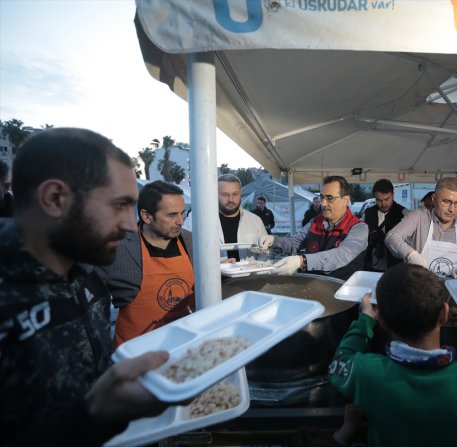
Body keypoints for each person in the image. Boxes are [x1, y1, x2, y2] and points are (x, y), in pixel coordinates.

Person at [0, 128, 168, 446]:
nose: (131, 226)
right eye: (119, 205)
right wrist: (91, 415)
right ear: (55, 198)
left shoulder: (89, 276)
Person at [328, 263, 457, 447]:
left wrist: (365, 320)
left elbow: (339, 361)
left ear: (381, 320)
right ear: (445, 313)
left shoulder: (367, 373)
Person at [95, 180, 195, 346]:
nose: (180, 221)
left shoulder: (191, 241)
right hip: (135, 351)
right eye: (171, 215)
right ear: (146, 216)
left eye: (182, 213)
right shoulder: (117, 248)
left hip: (184, 346)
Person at [257, 175, 368, 280]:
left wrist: (302, 261)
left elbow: (341, 255)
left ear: (345, 200)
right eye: (322, 197)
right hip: (310, 284)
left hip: (341, 289)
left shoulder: (358, 228)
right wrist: (274, 241)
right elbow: (294, 243)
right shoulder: (315, 221)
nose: (323, 203)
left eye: (330, 198)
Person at [385, 178, 457, 279]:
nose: (451, 209)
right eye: (446, 202)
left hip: (451, 287)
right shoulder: (418, 218)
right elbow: (392, 237)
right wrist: (411, 255)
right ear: (434, 198)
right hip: (416, 285)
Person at [183, 174, 267, 261]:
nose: (231, 199)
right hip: (211, 270)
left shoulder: (255, 221)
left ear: (241, 195)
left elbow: (266, 251)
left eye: (235, 194)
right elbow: (184, 248)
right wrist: (215, 264)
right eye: (225, 194)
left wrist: (257, 266)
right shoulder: (196, 219)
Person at [363, 178, 408, 271]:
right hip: (371, 265)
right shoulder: (368, 213)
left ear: (393, 195)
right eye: (379, 200)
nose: (383, 204)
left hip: (396, 266)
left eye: (387, 199)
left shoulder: (404, 213)